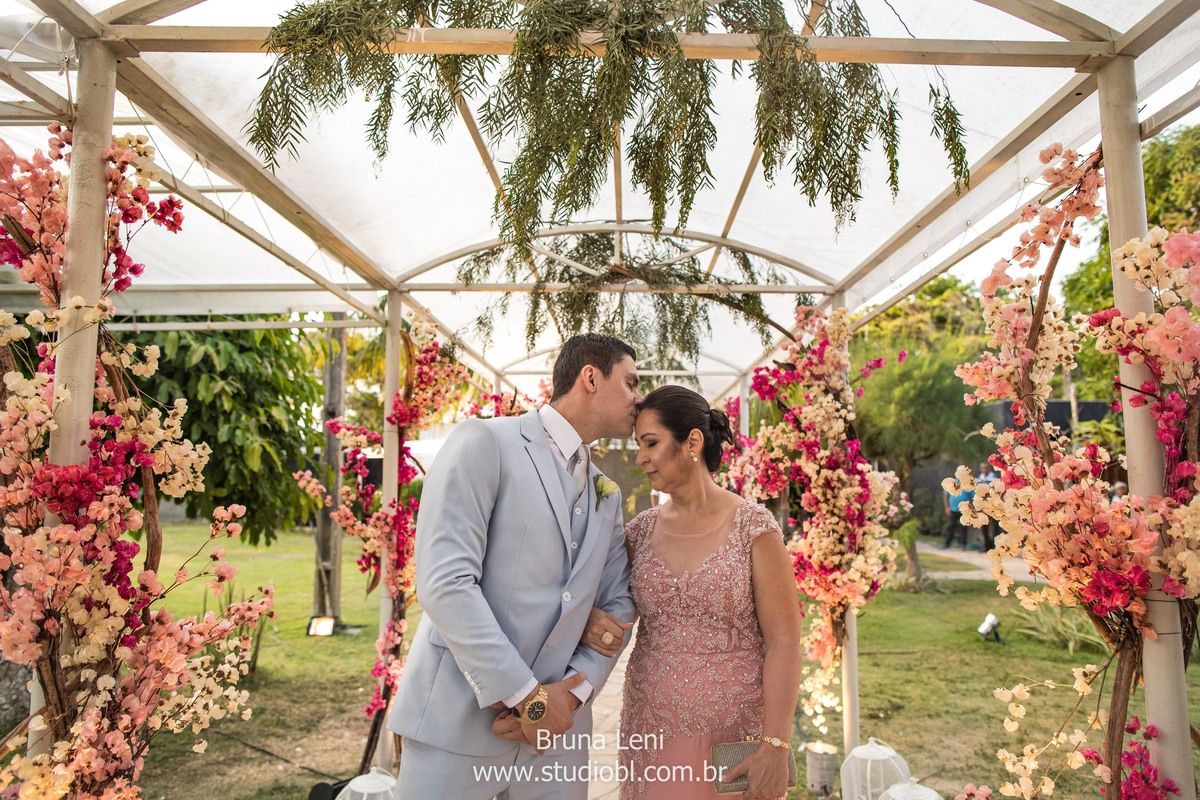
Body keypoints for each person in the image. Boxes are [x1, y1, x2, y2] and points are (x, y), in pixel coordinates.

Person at [389, 334, 641, 800]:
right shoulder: (485, 442)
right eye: (630, 382)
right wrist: (528, 698)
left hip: (557, 746)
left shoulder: (607, 495)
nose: (638, 398)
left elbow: (618, 605)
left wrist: (571, 698)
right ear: (590, 377)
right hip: (457, 728)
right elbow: (446, 583)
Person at [583, 386, 803, 800]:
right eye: (639, 445)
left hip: (735, 734)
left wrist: (775, 744)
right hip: (651, 726)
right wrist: (588, 619)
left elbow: (785, 641)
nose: (641, 457)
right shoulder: (638, 533)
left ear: (693, 443)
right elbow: (598, 603)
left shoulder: (754, 528)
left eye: (651, 443)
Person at [942, 481, 975, 550]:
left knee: (964, 527)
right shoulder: (952, 483)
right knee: (951, 526)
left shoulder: (968, 484)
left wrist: (971, 508)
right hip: (953, 509)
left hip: (964, 509)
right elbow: (945, 495)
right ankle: (947, 543)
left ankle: (963, 544)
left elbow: (972, 497)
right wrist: (947, 507)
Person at [977, 461, 999, 550]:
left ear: (989, 468)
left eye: (986, 468)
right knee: (983, 525)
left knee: (995, 526)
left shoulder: (994, 477)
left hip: (993, 504)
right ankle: (986, 545)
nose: (984, 470)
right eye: (983, 468)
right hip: (983, 504)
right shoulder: (979, 478)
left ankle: (995, 546)